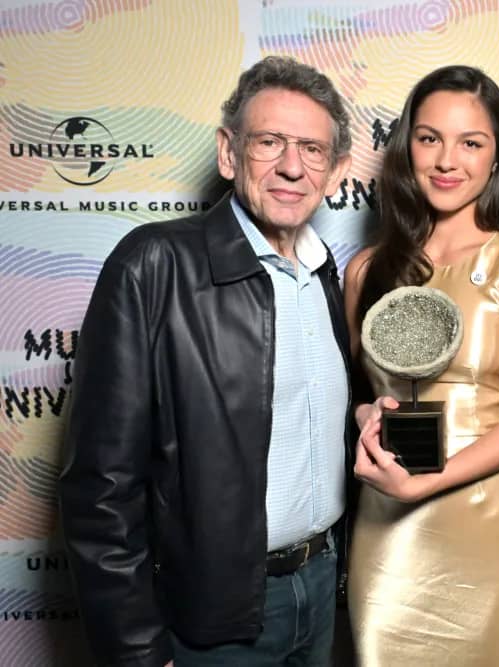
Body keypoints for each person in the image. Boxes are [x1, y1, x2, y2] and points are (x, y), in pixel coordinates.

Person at [59, 56, 354, 667]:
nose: (292, 166)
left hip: (322, 587)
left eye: (312, 149)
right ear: (228, 152)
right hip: (213, 614)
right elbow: (100, 485)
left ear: (336, 172)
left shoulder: (326, 274)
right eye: (269, 142)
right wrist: (135, 647)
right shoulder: (153, 266)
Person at [344, 65, 499, 666]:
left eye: (471, 142)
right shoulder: (366, 270)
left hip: (487, 534)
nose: (446, 160)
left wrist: (425, 483)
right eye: (429, 138)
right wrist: (365, 415)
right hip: (387, 536)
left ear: (497, 159)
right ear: (406, 147)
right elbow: (359, 396)